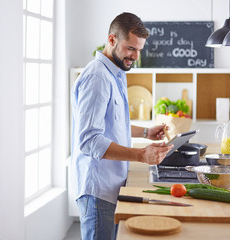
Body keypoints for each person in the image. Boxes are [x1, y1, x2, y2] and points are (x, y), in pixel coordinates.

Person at [71, 12, 173, 240]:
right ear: (112, 40)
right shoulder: (97, 77)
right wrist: (140, 155)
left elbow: (113, 123)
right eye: (130, 49)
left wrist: (146, 132)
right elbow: (89, 141)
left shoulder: (115, 73)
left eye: (139, 50)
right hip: (98, 190)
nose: (135, 56)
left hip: (112, 185)